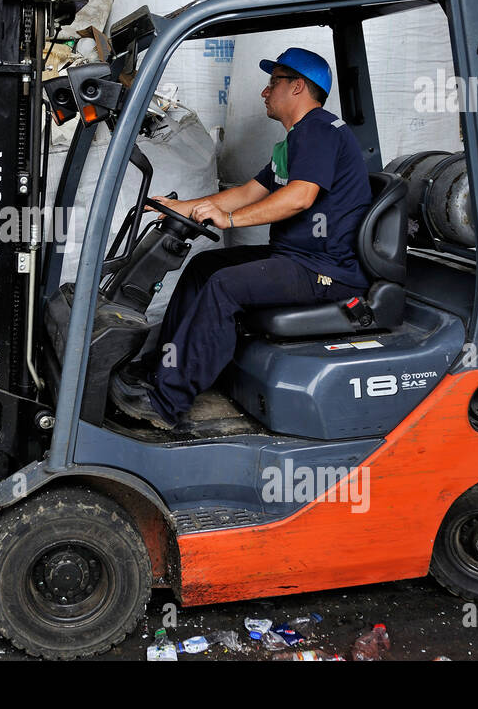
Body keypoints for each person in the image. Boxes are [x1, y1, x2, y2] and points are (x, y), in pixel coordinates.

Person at [110, 47, 373, 430]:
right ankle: (161, 369)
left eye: (274, 83)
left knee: (224, 286)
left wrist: (228, 220)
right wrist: (183, 207)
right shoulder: (293, 140)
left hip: (325, 271)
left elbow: (301, 196)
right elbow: (249, 191)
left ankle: (167, 402)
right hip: (298, 258)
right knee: (203, 265)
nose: (265, 92)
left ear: (298, 86)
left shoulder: (318, 130)